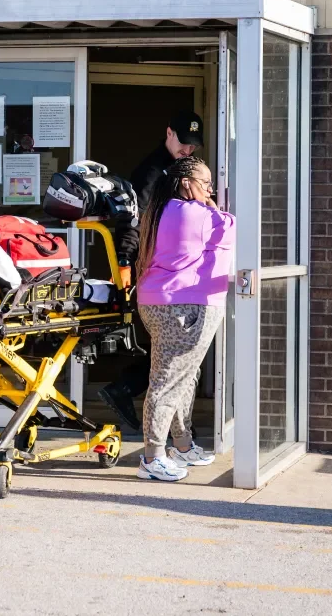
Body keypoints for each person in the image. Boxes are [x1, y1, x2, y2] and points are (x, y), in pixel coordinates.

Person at [99, 111, 205, 431]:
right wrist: (124, 262)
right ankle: (173, 428)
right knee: (176, 348)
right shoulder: (152, 172)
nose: (188, 150)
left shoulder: (178, 169)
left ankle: (130, 391)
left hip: (174, 268)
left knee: (175, 347)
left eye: (193, 146)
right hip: (154, 268)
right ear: (169, 133)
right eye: (183, 143)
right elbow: (133, 219)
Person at [133, 156, 235, 482]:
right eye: (205, 184)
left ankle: (179, 444)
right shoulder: (194, 214)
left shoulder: (161, 209)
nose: (209, 191)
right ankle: (153, 457)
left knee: (181, 378)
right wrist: (214, 203)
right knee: (168, 382)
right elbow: (234, 229)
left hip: (161, 303)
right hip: (184, 307)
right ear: (187, 182)